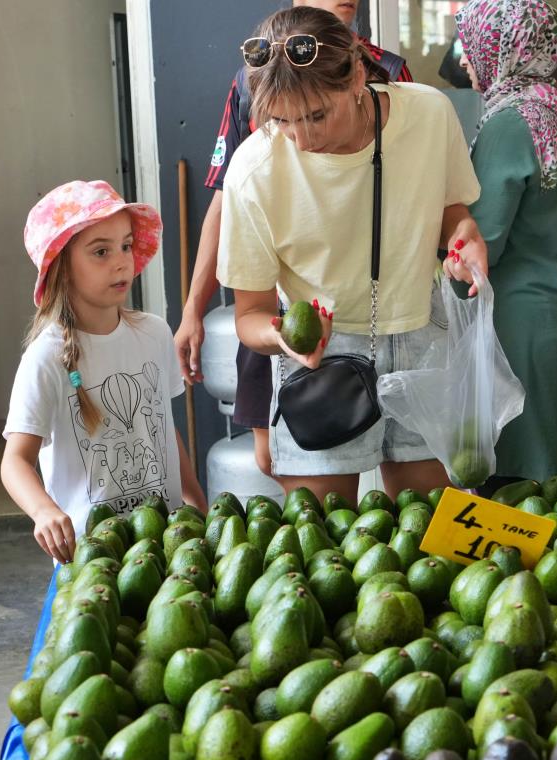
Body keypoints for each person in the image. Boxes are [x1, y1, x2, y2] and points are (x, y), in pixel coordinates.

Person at [217, 6, 486, 501]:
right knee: (323, 540)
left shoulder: (427, 115)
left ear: (359, 74)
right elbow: (250, 314)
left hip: (422, 334)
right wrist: (284, 340)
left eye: (317, 114)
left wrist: (465, 237)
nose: (303, 137)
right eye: (282, 121)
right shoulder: (253, 170)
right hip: (323, 354)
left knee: (426, 529)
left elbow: (453, 210)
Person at [176, 0, 411, 480]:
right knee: (281, 457)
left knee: (393, 466)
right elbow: (229, 197)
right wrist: (192, 309)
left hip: (384, 312)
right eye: (283, 122)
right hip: (286, 304)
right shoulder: (256, 76)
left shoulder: (391, 70)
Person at [455, 0, 557, 487]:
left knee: (520, 495)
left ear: (503, 47)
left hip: (520, 336)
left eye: (471, 45)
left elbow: (483, 242)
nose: (466, 58)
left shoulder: (509, 122)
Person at [1, 180, 207, 563]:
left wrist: (196, 499)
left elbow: (162, 426)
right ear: (62, 265)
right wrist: (43, 511)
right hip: (91, 554)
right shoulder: (46, 359)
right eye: (101, 251)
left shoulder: (154, 333)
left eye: (127, 245)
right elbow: (14, 461)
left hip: (168, 542)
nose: (121, 261)